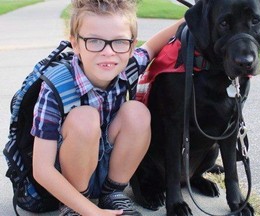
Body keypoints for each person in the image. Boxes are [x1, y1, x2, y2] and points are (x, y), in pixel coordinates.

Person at [31, 0, 184, 215]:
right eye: (94, 41)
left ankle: (113, 193)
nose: (108, 52)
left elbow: (152, 45)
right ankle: (74, 204)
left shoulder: (126, 68)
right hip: (66, 179)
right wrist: (91, 212)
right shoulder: (55, 86)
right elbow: (42, 169)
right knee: (85, 118)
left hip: (105, 166)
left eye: (120, 42)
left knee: (137, 112)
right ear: (75, 44)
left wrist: (195, 14)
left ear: (131, 46)